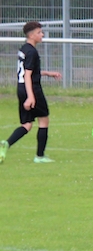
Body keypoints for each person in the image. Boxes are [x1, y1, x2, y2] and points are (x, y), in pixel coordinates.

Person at [0, 21, 62, 165]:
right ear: (32, 35)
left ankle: (6, 143)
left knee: (27, 124)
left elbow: (28, 71)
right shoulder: (32, 52)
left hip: (21, 87)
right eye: (39, 32)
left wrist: (48, 73)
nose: (42, 35)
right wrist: (31, 96)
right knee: (44, 120)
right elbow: (28, 75)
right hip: (32, 89)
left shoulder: (24, 49)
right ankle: (40, 156)